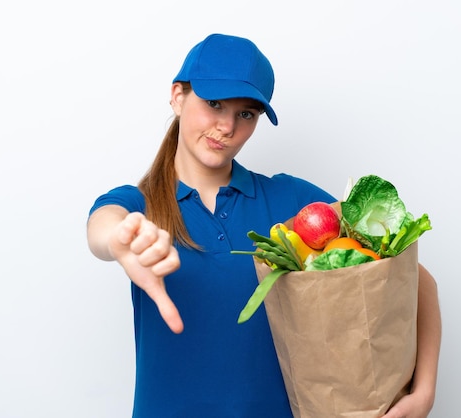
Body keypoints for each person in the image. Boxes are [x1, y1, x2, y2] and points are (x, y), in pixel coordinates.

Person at [86, 33, 441, 418]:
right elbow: (103, 228)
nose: (226, 126)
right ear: (177, 96)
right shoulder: (138, 206)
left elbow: (414, 279)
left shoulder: (291, 201)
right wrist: (121, 241)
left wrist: (423, 392)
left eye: (246, 114)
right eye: (214, 103)